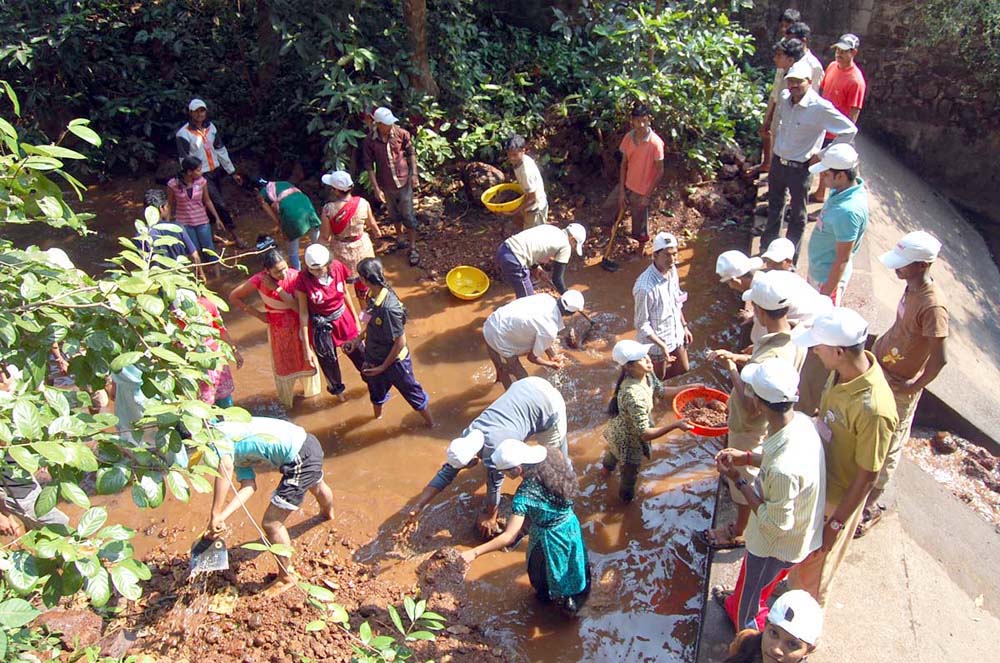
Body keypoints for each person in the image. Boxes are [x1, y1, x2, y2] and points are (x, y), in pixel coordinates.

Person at [787, 308, 897, 607]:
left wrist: (835, 525)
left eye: (818, 348)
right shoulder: (839, 373)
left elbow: (868, 476)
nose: (814, 353)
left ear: (838, 351)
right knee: (800, 557)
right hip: (818, 479)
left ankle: (801, 633)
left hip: (836, 498)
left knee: (814, 574)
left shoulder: (874, 409)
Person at [713, 359, 825, 632]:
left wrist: (738, 479)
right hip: (798, 534)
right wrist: (748, 457)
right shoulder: (802, 423)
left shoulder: (782, 470)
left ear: (761, 405)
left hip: (776, 547)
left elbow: (774, 524)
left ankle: (746, 638)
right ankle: (742, 602)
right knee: (758, 587)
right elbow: (776, 456)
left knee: (748, 606)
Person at [705, 271, 806, 547]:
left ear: (760, 312)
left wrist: (732, 371)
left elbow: (751, 406)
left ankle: (738, 531)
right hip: (763, 422)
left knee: (743, 476)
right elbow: (761, 359)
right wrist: (739, 357)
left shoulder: (774, 354)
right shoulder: (792, 336)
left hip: (750, 427)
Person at [861, 232, 948, 536]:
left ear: (923, 265)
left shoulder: (933, 307)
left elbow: (940, 359)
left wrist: (912, 387)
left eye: (904, 264)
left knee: (887, 447)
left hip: (901, 383)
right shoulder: (910, 287)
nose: (897, 269)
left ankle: (869, 505)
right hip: (883, 367)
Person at [405, 376, 567, 537]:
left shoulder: (496, 451)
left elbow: (494, 485)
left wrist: (491, 515)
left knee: (553, 461)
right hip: (526, 386)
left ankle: (566, 500)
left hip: (548, 404)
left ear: (474, 459)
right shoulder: (469, 434)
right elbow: (447, 472)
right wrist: (418, 506)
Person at [201, 416, 334, 595]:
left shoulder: (215, 439)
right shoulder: (230, 429)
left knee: (271, 523)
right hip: (308, 443)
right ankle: (328, 514)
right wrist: (222, 517)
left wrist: (215, 512)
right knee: (317, 485)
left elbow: (225, 467)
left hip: (299, 458)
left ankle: (286, 577)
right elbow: (249, 486)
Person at [460, 440, 591, 615]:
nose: (504, 474)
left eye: (505, 471)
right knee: (574, 562)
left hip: (548, 537)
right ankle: (574, 600)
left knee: (540, 573)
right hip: (569, 524)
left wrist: (473, 553)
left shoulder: (525, 494)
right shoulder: (553, 457)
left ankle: (548, 602)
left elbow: (509, 536)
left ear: (516, 470)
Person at [760, 59, 857, 256]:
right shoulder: (785, 97)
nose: (794, 85)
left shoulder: (819, 107)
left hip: (800, 168)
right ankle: (767, 250)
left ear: (809, 82)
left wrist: (822, 155)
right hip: (779, 163)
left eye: (799, 81)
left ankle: (790, 258)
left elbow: (849, 130)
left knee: (797, 215)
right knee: (775, 207)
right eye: (791, 81)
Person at [228, 240, 321, 409]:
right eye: (278, 272)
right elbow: (234, 297)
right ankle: (288, 403)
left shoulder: (295, 277)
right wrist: (257, 314)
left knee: (308, 363)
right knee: (284, 367)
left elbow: (298, 308)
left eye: (285, 268)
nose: (283, 274)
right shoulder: (258, 280)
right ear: (267, 271)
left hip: (300, 327)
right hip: (278, 331)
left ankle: (312, 401)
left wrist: (277, 289)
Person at [601, 340, 695, 502]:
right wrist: (675, 425)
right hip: (628, 442)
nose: (648, 359)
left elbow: (660, 391)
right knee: (629, 476)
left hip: (617, 429)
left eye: (646, 355)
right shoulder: (632, 395)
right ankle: (624, 502)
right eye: (642, 358)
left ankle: (604, 473)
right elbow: (644, 434)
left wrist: (689, 388)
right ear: (628, 367)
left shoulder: (647, 374)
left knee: (612, 454)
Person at [352, 257, 433, 426]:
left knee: (414, 394)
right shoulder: (371, 295)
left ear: (364, 279)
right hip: (374, 357)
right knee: (376, 395)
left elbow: (400, 342)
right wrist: (357, 339)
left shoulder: (389, 308)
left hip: (395, 362)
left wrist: (383, 367)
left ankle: (431, 424)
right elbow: (368, 319)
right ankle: (377, 420)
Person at [1, 365, 70, 536]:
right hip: (14, 486)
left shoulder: (16, 374)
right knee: (61, 525)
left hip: (22, 471)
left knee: (36, 527)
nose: (4, 380)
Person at [293, 244, 365, 400]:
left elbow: (346, 293)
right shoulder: (302, 280)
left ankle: (373, 383)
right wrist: (307, 347)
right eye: (312, 270)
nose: (316, 274)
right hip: (321, 327)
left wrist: (356, 320)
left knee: (359, 354)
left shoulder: (338, 267)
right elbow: (304, 313)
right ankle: (340, 396)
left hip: (342, 319)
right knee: (328, 362)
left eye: (320, 269)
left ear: (328, 264)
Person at [175, 98, 245, 248]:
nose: (200, 114)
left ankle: (212, 234)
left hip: (216, 171)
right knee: (220, 204)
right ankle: (235, 236)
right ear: (190, 113)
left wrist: (231, 171)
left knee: (210, 204)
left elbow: (220, 149)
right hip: (201, 175)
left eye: (202, 110)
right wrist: (189, 178)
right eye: (197, 111)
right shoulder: (183, 134)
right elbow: (184, 159)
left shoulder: (211, 127)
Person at [805, 144, 868, 304]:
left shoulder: (847, 212)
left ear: (840, 176)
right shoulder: (840, 191)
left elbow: (842, 259)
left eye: (825, 174)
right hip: (818, 269)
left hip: (825, 279)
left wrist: (826, 293)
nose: (822, 177)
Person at [483, 290, 586, 389]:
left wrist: (552, 354)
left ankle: (499, 378)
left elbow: (540, 328)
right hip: (498, 337)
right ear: (570, 314)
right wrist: (550, 364)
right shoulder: (550, 329)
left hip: (491, 323)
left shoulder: (545, 298)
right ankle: (511, 394)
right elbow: (532, 358)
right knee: (524, 380)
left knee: (500, 366)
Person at [362, 106, 421, 266]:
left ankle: (413, 247)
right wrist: (376, 187)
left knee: (408, 214)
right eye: (387, 124)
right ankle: (400, 237)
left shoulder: (402, 134)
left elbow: (411, 153)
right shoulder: (370, 141)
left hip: (404, 182)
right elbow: (369, 165)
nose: (390, 127)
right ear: (379, 124)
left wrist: (414, 174)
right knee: (393, 213)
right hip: (386, 184)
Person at [812, 34, 866, 203]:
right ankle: (820, 193)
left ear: (853, 53)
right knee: (823, 166)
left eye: (844, 51)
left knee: (836, 173)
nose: (839, 53)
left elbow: (854, 112)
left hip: (836, 132)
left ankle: (827, 202)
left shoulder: (856, 81)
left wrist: (843, 139)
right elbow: (822, 92)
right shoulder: (832, 67)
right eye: (838, 50)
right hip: (822, 127)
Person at [633, 232, 692, 379]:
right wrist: (662, 346)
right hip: (656, 344)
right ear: (655, 256)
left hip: (675, 333)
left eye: (675, 254)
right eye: (667, 255)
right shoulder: (644, 288)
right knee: (658, 380)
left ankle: (648, 382)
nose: (672, 259)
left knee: (684, 368)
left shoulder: (672, 271)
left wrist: (684, 326)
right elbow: (641, 325)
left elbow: (676, 300)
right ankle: (647, 385)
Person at [172, 289, 242, 407]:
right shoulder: (171, 317)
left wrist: (234, 351)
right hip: (191, 363)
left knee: (224, 396)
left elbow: (221, 331)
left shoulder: (208, 306)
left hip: (214, 357)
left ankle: (228, 419)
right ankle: (209, 423)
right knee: (202, 401)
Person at [319, 170, 382, 301]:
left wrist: (316, 252)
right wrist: (377, 237)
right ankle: (366, 317)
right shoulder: (363, 203)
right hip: (362, 248)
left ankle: (350, 316)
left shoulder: (328, 209)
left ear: (336, 191)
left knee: (340, 285)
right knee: (364, 286)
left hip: (340, 250)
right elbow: (374, 227)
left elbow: (325, 237)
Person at [723, 590, 822, 663]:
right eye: (774, 633)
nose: (776, 649)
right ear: (766, 625)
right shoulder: (745, 640)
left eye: (792, 644)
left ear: (809, 650)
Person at [495, 223, 586, 298]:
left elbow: (530, 246)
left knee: (524, 292)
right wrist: (568, 297)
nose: (573, 248)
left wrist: (535, 267)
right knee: (528, 300)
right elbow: (557, 279)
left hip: (503, 250)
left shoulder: (551, 228)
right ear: (572, 239)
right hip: (515, 260)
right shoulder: (565, 246)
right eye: (575, 246)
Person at [167, 156, 224, 278]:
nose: (201, 172)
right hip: (184, 223)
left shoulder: (202, 181)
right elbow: (170, 204)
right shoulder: (173, 184)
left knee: (208, 247)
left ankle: (218, 275)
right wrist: (166, 223)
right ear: (189, 172)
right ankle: (201, 275)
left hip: (202, 220)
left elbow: (207, 201)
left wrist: (217, 218)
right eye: (198, 170)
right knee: (194, 250)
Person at [757, 37, 806, 175]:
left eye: (779, 56)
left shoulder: (796, 80)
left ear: (790, 60)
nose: (775, 59)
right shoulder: (784, 72)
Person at [251, 177, 322, 271]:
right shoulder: (282, 183)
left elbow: (272, 212)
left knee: (292, 250)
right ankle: (322, 263)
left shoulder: (261, 195)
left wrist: (281, 226)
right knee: (317, 242)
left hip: (291, 213)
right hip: (307, 206)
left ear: (256, 190)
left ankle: (296, 273)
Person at [618, 104, 665, 244]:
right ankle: (615, 234)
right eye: (638, 121)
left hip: (642, 190)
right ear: (632, 121)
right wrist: (621, 191)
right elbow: (623, 164)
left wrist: (647, 196)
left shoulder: (656, 143)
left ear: (649, 120)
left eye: (644, 120)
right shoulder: (628, 138)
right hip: (628, 184)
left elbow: (660, 170)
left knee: (640, 230)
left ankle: (640, 250)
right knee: (610, 208)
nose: (641, 124)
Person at [140, 188, 206, 281]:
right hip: (181, 279)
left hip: (156, 282)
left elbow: (142, 263)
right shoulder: (177, 228)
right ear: (162, 208)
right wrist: (201, 274)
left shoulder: (142, 234)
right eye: (167, 206)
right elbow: (195, 256)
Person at [503, 134, 548, 230]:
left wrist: (516, 211)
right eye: (509, 154)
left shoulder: (526, 172)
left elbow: (532, 199)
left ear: (523, 151)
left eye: (515, 155)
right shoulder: (520, 161)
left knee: (533, 238)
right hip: (530, 205)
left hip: (536, 209)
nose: (511, 158)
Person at [785, 22, 824, 90]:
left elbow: (814, 92)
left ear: (803, 40)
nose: (789, 44)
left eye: (792, 40)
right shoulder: (785, 59)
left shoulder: (814, 66)